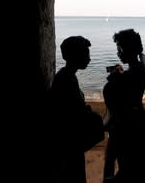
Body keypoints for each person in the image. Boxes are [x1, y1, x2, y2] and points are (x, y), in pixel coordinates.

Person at [102, 29, 145, 183]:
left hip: (127, 126)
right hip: (136, 120)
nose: (118, 53)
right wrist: (121, 75)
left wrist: (114, 80)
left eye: (120, 49)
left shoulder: (129, 75)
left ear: (129, 49)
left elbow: (114, 98)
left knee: (124, 164)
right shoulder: (140, 67)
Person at [48, 36, 99, 183]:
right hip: (68, 145)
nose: (89, 58)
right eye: (86, 54)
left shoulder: (66, 76)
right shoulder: (66, 80)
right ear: (76, 56)